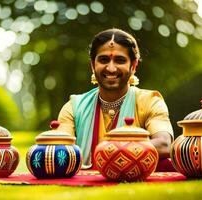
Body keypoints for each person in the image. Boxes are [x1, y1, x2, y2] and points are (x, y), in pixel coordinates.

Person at [57, 28, 174, 170]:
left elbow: (164, 145)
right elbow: (60, 151)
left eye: (120, 60)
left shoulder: (150, 101)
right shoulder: (74, 107)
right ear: (93, 65)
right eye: (104, 59)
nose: (111, 68)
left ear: (133, 65)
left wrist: (114, 152)